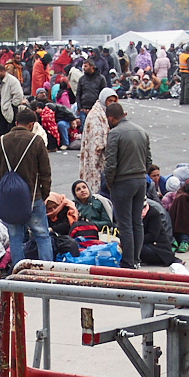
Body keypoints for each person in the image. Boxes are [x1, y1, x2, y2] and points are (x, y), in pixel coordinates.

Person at [0, 108, 53, 266]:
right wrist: (44, 194)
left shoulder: (1, 141)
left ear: (16, 123)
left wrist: (4, 191)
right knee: (42, 236)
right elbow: (45, 172)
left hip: (10, 199)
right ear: (32, 124)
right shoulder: (36, 141)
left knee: (15, 238)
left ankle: (18, 273)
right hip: (33, 197)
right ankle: (48, 271)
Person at [101, 101, 151, 268]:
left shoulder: (115, 134)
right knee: (137, 221)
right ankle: (136, 259)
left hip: (122, 182)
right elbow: (148, 160)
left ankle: (128, 262)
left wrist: (109, 182)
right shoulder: (141, 131)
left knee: (125, 224)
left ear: (110, 118)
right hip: (140, 180)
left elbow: (110, 163)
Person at [76, 86, 117, 194]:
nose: (112, 103)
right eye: (110, 101)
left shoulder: (105, 113)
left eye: (114, 101)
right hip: (97, 157)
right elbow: (96, 141)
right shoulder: (95, 115)